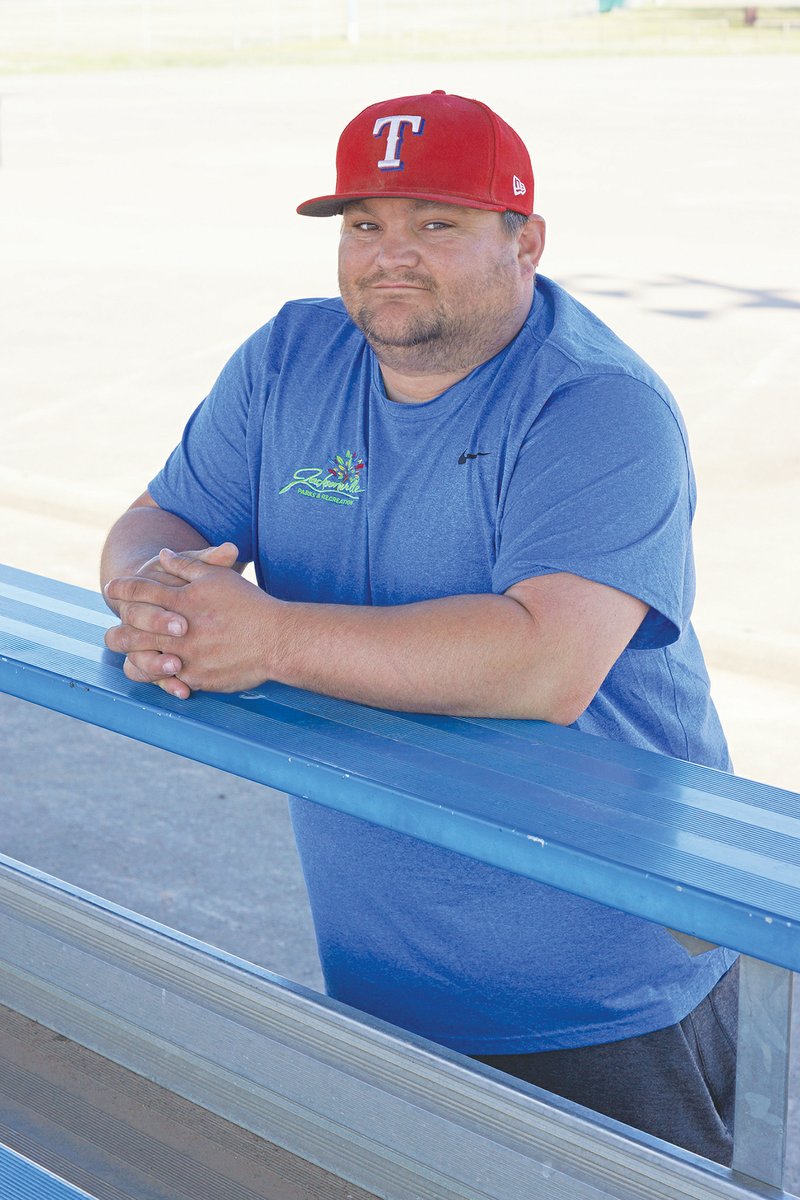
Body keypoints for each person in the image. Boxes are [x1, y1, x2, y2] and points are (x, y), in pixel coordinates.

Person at [101, 90, 738, 1163]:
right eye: (363, 225)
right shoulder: (292, 358)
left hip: (600, 982)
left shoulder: (594, 404)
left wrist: (263, 637)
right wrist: (153, 596)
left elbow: (545, 662)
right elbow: (162, 518)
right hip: (376, 968)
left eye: (434, 223)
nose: (388, 255)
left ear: (521, 240)